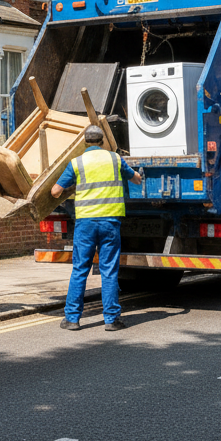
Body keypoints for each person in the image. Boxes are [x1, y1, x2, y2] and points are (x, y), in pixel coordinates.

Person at [52, 125, 143, 331]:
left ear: (85, 142)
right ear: (102, 141)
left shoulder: (77, 163)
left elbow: (55, 191)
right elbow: (136, 179)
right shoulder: (115, 159)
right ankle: (111, 320)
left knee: (80, 269)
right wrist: (139, 175)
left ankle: (72, 319)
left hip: (85, 224)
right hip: (110, 222)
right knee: (109, 270)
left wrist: (72, 187)